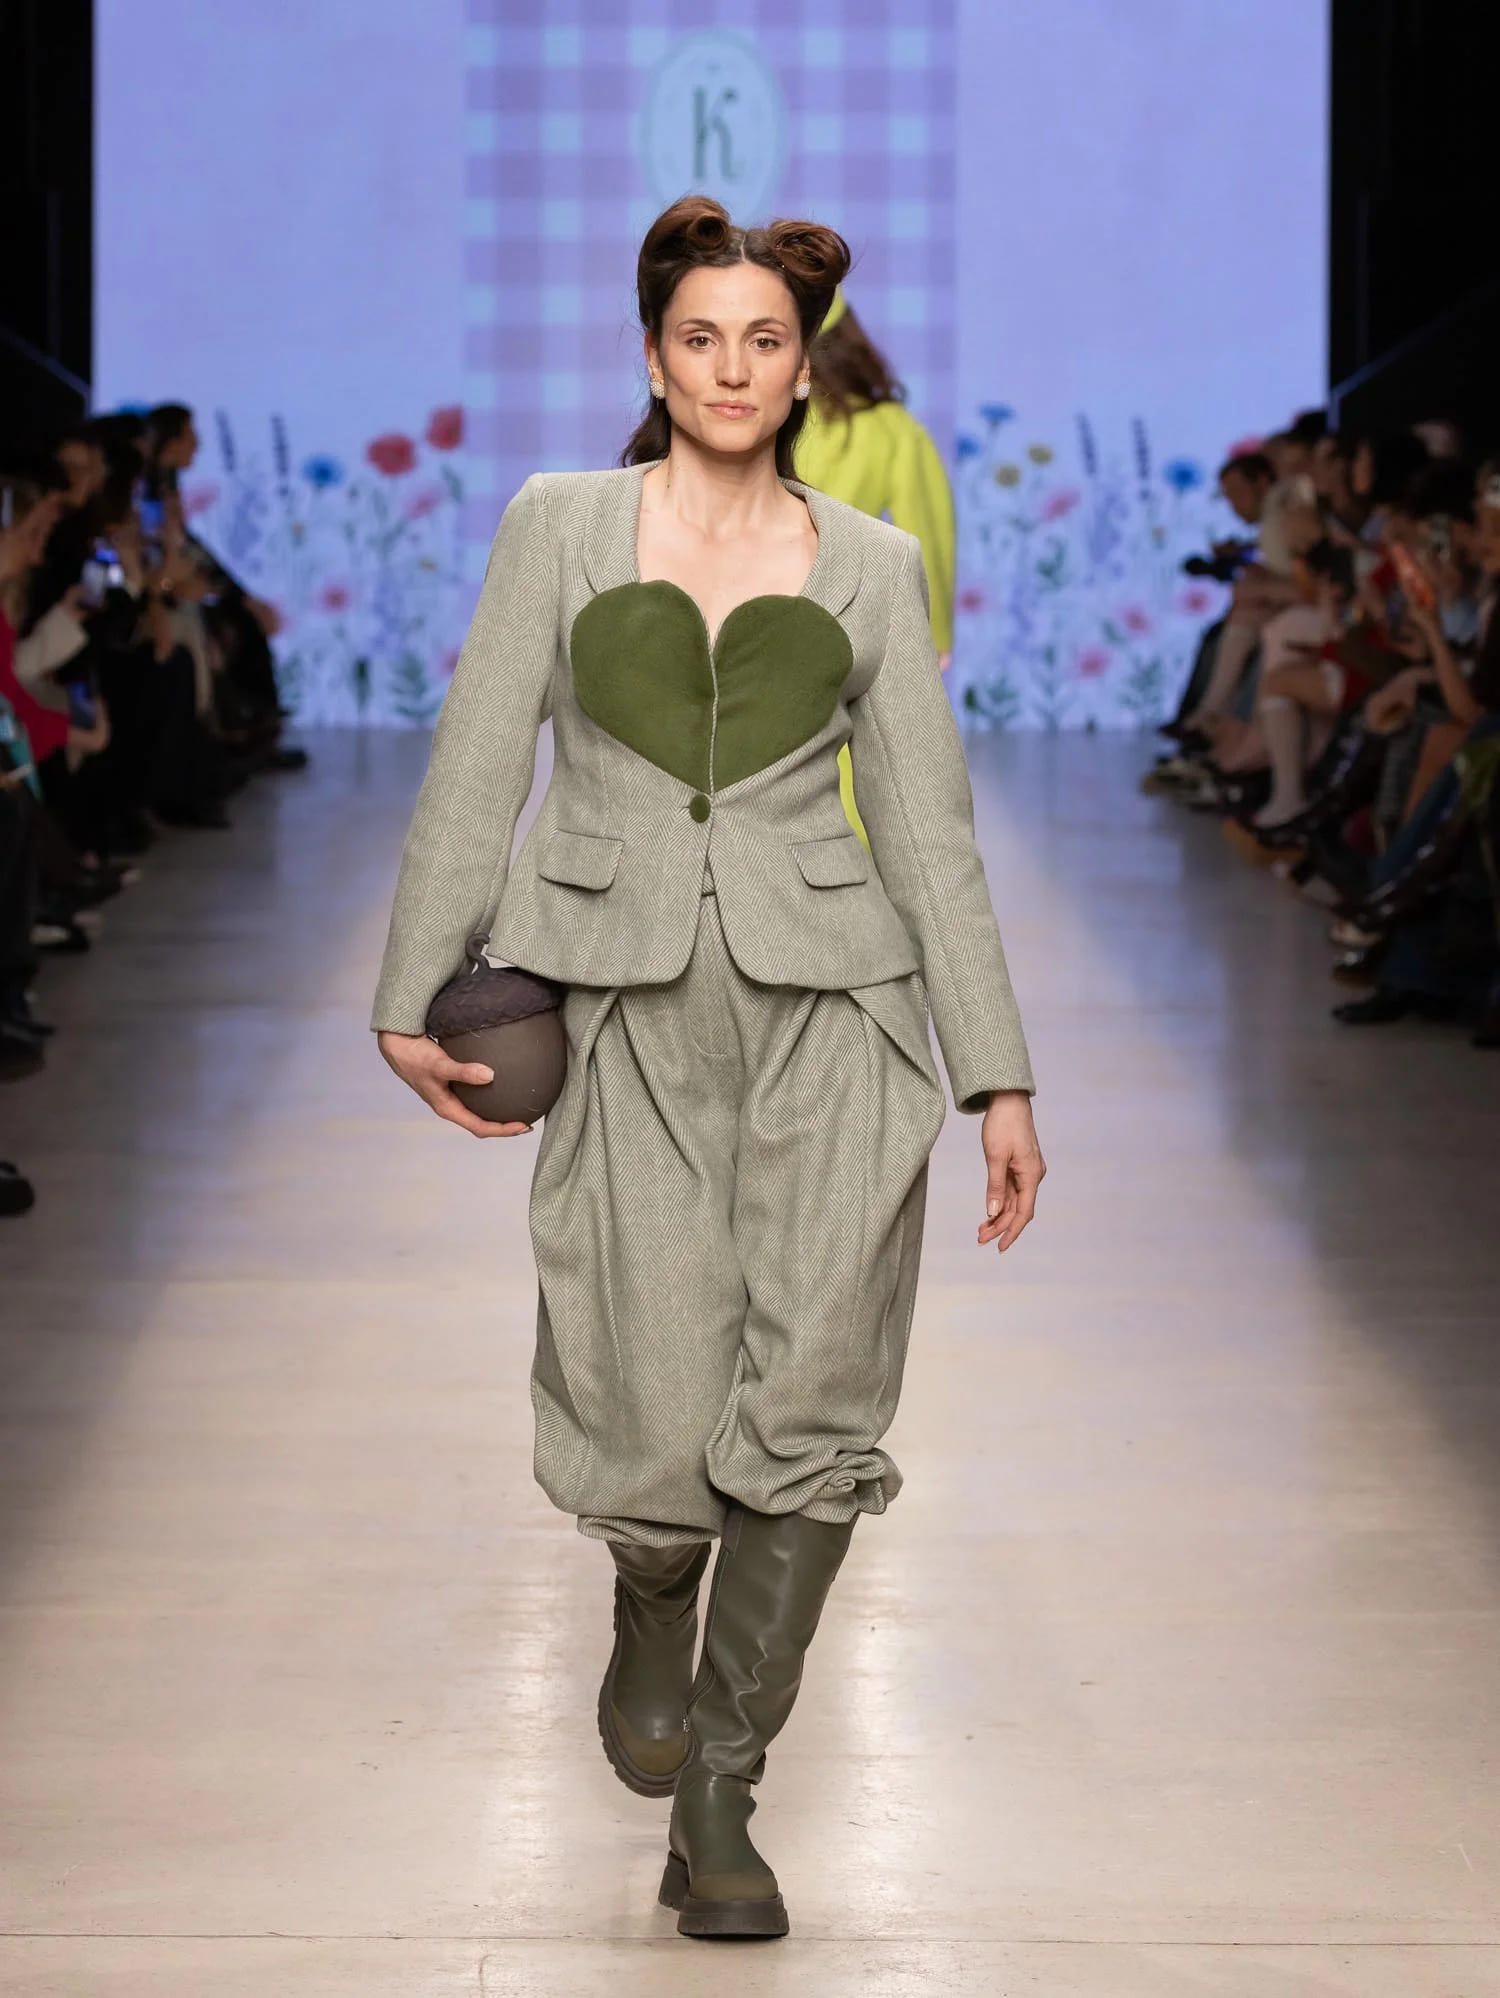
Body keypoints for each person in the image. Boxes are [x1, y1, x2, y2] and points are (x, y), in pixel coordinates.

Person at [371, 195, 1044, 1942]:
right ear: (654, 355)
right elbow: (480, 758)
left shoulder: (869, 564)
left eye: (764, 340)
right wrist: (406, 986)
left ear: (802, 364)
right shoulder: (561, 526)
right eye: (700, 337)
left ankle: (727, 1798)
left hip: (839, 1008)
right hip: (624, 1009)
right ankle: (654, 1584)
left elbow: (930, 829)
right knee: (654, 1399)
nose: (734, 367)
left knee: (814, 1403)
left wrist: (998, 1074)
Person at [795, 287, 955, 836]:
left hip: (753, 611)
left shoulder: (764, 419)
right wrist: (934, 633)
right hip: (850, 616)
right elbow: (925, 534)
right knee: (852, 761)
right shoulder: (890, 429)